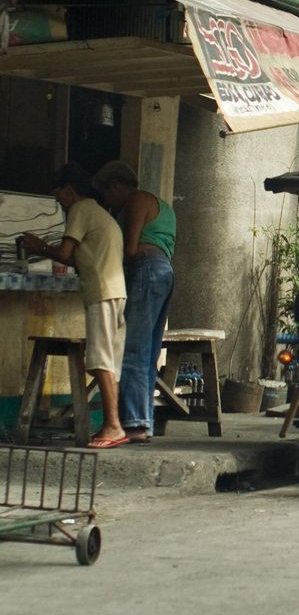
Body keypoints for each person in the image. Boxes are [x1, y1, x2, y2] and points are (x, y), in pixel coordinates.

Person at [20, 163, 129, 448]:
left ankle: (113, 426)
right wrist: (42, 248)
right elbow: (75, 258)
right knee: (108, 362)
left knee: (100, 361)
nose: (60, 206)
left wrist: (41, 247)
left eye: (59, 198)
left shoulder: (80, 209)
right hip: (114, 292)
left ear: (69, 190)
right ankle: (113, 425)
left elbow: (65, 252)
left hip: (101, 293)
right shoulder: (98, 212)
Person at [94, 161, 176, 444]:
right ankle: (143, 422)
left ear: (114, 186)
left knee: (133, 350)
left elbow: (129, 250)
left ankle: (135, 423)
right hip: (162, 270)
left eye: (106, 195)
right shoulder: (161, 205)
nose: (107, 202)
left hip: (146, 270)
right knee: (148, 353)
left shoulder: (138, 200)